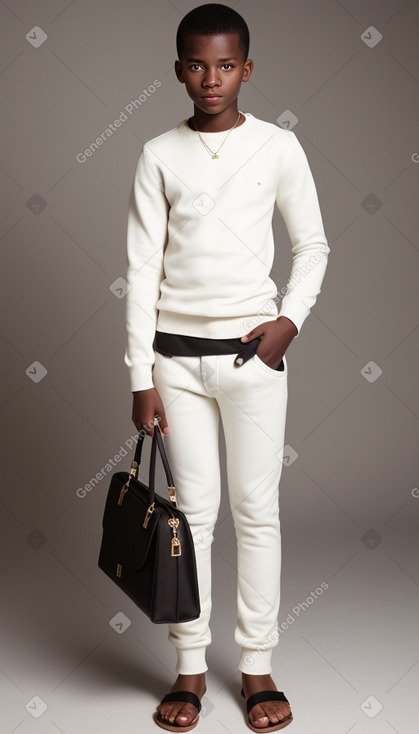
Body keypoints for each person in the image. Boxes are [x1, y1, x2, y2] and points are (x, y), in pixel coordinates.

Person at [124, 4, 330, 731]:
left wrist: (288, 322)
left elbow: (312, 246)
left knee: (255, 513)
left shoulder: (277, 148)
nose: (209, 78)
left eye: (224, 64)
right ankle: (187, 670)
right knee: (190, 518)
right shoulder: (156, 154)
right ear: (178, 68)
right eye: (195, 64)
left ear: (246, 68)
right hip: (175, 364)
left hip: (252, 361)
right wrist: (139, 377)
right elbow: (140, 271)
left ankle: (256, 667)